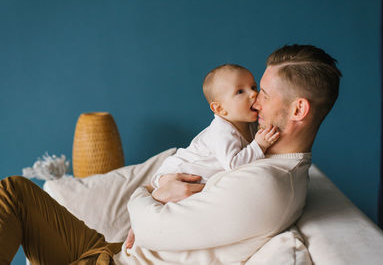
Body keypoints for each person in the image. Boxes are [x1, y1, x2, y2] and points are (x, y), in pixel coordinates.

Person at [0, 44, 341, 264]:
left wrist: (149, 191)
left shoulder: (267, 184)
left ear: (298, 109)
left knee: (12, 197)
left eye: (264, 94)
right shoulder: (267, 159)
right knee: (16, 191)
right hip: (110, 251)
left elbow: (151, 229)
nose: (254, 100)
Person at [151, 63, 280, 190]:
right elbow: (233, 165)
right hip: (178, 169)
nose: (253, 93)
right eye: (240, 91)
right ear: (220, 108)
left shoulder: (249, 124)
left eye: (253, 87)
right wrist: (259, 145)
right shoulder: (223, 130)